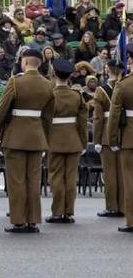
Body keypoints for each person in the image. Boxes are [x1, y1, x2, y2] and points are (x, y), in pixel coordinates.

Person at [0, 48, 54, 234]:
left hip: (15, 137)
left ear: (24, 62)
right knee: (33, 180)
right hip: (37, 136)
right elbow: (48, 116)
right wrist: (45, 138)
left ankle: (18, 220)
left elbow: (1, 110)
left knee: (16, 180)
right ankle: (32, 220)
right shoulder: (48, 85)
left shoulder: (15, 82)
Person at [46, 58, 87, 223]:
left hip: (54, 140)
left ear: (54, 74)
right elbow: (82, 123)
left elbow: (44, 120)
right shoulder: (77, 96)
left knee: (56, 177)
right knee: (71, 177)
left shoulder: (50, 95)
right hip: (73, 140)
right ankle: (68, 212)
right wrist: (83, 143)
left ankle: (57, 212)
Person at [92, 59, 122, 219]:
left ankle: (112, 207)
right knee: (123, 173)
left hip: (106, 134)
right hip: (124, 133)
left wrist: (97, 140)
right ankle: (124, 205)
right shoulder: (126, 86)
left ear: (108, 70)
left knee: (110, 173)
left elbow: (98, 118)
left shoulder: (100, 90)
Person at [106, 62, 133, 233]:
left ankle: (132, 221)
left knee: (130, 180)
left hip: (129, 137)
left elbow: (114, 114)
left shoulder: (123, 84)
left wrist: (112, 140)